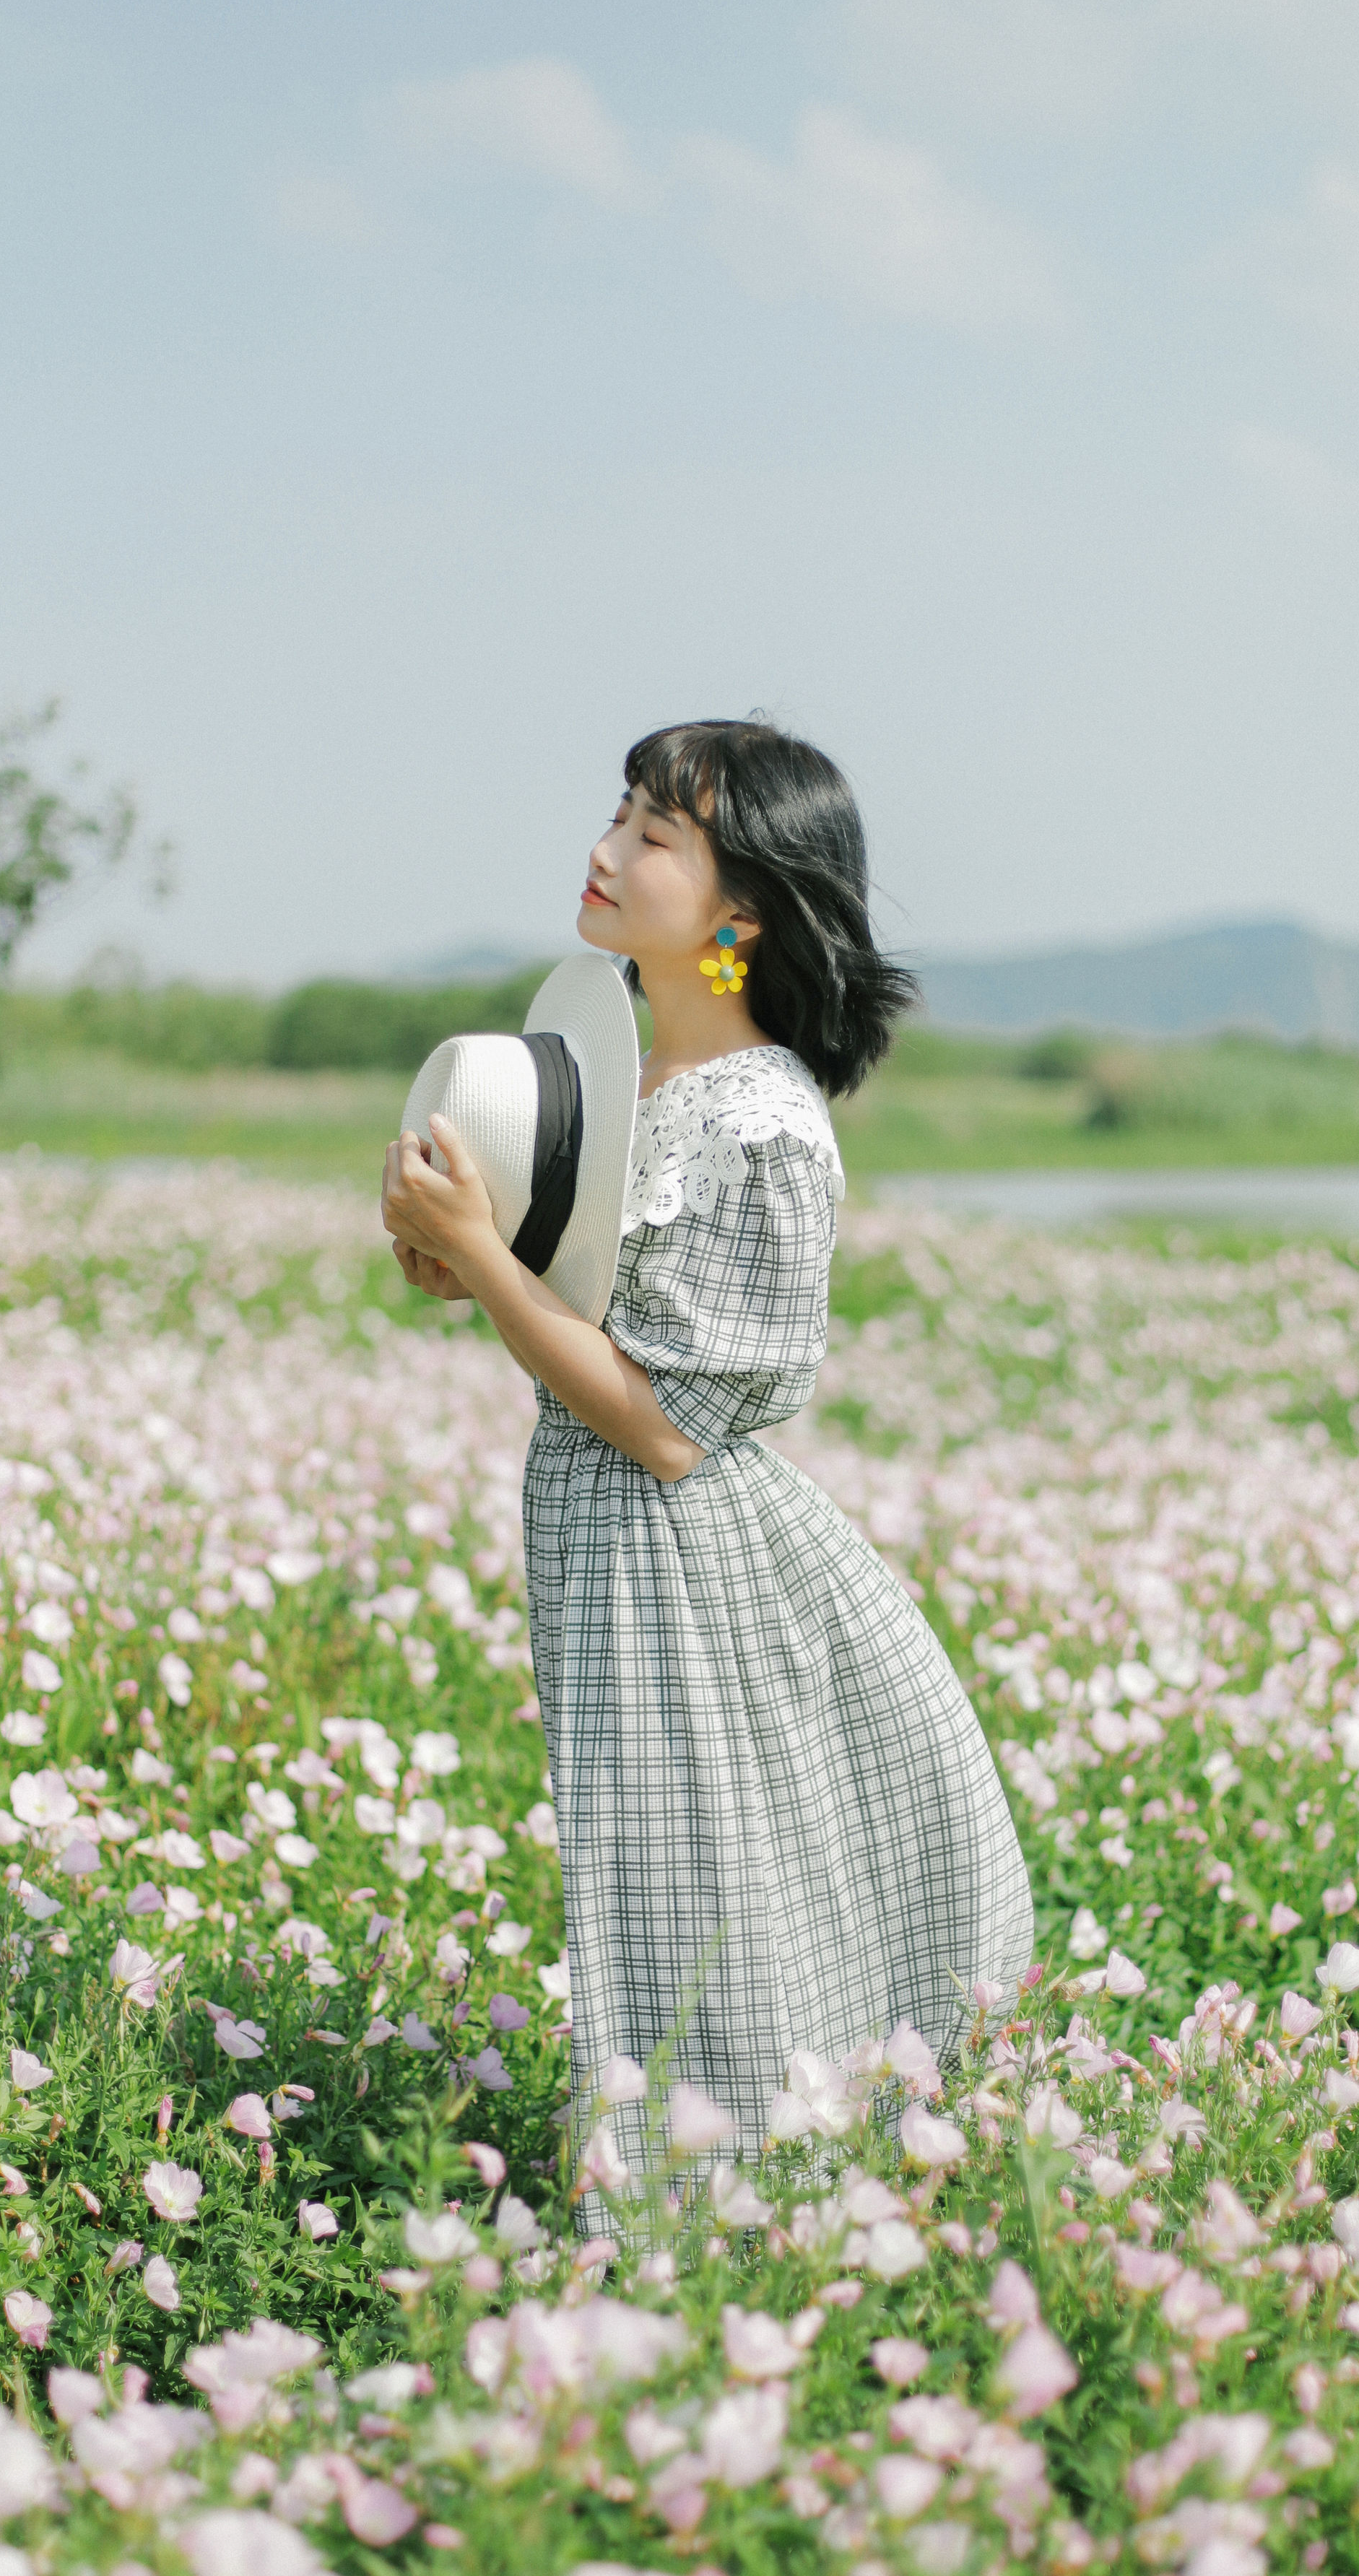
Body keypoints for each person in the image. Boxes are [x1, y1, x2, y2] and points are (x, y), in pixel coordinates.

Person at [381, 718, 1034, 2169]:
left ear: (741, 912)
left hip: (695, 1564)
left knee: (704, 1898)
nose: (606, 850)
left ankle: (720, 2227)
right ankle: (721, 2209)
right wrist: (461, 1257)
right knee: (669, 1890)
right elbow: (583, 1328)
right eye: (616, 815)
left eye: (653, 835)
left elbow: (669, 1430)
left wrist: (485, 1260)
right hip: (620, 1545)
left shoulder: (762, 1127)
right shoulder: (632, 1087)